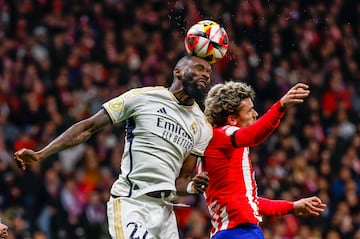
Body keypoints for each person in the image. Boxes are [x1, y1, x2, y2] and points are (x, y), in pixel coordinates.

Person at [13, 55, 213, 239]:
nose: (205, 74)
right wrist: (41, 154)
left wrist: (191, 186)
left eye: (209, 72)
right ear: (178, 71)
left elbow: (183, 179)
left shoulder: (202, 126)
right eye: (199, 68)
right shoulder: (143, 97)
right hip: (132, 203)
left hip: (165, 214)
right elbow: (88, 127)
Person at [201, 81, 327, 239]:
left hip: (233, 232)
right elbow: (252, 135)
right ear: (232, 119)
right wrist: (280, 106)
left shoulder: (225, 148)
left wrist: (292, 207)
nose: (255, 114)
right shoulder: (222, 134)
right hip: (238, 233)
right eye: (249, 111)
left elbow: (251, 202)